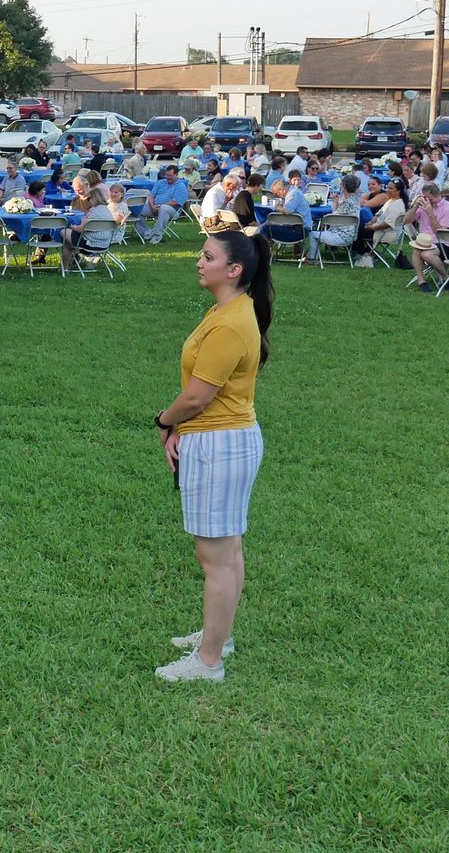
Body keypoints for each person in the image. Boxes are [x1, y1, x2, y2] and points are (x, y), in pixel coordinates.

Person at [153, 229, 274, 683]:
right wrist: (178, 427)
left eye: (208, 257)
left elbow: (197, 396)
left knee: (216, 557)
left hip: (220, 445)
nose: (199, 262)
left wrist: (165, 421)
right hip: (224, 440)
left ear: (234, 270)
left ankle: (208, 662)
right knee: (228, 549)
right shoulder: (228, 310)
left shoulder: (230, 322)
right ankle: (218, 638)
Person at [139, 165, 191, 243]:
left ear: (176, 175)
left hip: (172, 210)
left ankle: (157, 235)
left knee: (164, 208)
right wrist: (152, 206)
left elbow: (175, 202)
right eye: (166, 175)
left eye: (170, 175)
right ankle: (146, 233)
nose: (167, 177)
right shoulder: (160, 182)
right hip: (155, 208)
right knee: (139, 208)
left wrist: (159, 206)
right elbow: (151, 196)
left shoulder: (181, 186)